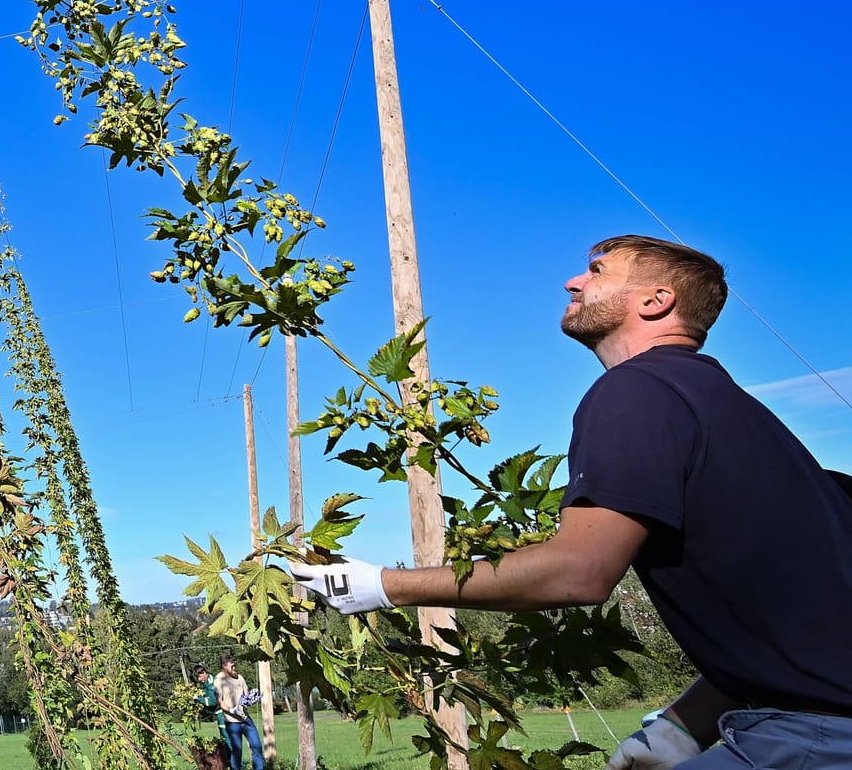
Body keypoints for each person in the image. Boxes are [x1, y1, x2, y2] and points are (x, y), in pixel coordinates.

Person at [288, 235, 852, 768]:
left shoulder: (639, 390)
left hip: (808, 737)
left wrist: (381, 586)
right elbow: (789, 628)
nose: (571, 281)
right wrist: (679, 728)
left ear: (657, 301)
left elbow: (580, 573)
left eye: (598, 271)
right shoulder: (733, 413)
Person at [214, 655, 264, 770]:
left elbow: (246, 694)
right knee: (237, 751)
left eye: (234, 664)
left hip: (246, 719)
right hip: (232, 723)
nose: (234, 667)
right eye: (231, 665)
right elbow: (220, 702)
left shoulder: (239, 677)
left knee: (257, 747)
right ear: (224, 666)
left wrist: (251, 698)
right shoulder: (219, 680)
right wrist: (232, 710)